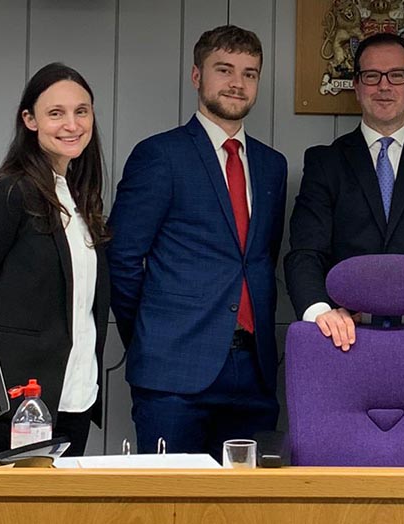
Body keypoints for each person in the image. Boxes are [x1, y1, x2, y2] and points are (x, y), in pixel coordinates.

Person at [107, 25, 286, 459]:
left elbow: (260, 260)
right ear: (196, 76)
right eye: (223, 70)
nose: (237, 83)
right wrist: (153, 335)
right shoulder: (160, 156)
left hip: (253, 370)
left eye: (249, 73)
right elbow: (122, 258)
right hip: (173, 371)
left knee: (246, 506)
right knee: (170, 505)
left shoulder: (271, 165)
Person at [0, 63, 110, 463]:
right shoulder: (8, 192)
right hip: (13, 407)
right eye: (55, 113)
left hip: (74, 400)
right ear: (30, 120)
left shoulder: (80, 199)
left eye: (82, 111)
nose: (71, 124)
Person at [285, 32, 404, 351]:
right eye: (372, 76)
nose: (384, 86)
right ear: (357, 86)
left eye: (397, 75)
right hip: (341, 339)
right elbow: (306, 251)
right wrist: (321, 313)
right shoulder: (324, 162)